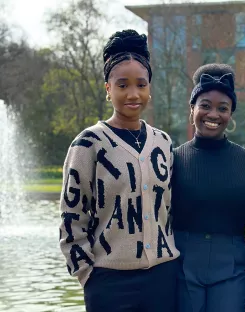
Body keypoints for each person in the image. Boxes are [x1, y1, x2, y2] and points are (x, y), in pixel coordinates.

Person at [58, 29, 180, 312]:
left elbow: (171, 208)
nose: (133, 94)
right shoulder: (88, 144)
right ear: (107, 89)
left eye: (141, 84)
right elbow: (71, 216)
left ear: (150, 87)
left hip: (163, 278)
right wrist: (86, 274)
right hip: (108, 283)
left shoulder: (163, 142)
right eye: (122, 85)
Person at [171, 63, 245, 312]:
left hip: (232, 267)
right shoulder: (172, 160)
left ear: (231, 114)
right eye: (205, 105)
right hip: (181, 265)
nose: (213, 115)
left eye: (223, 108)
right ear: (192, 109)